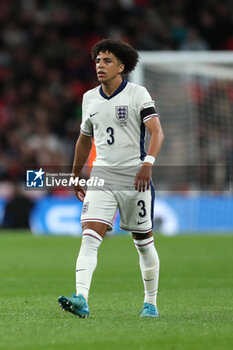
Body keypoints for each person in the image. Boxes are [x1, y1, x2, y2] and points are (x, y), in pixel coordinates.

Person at [58, 39, 164, 318]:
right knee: (90, 236)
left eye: (106, 61)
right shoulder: (89, 98)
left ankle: (150, 302)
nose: (100, 66)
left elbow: (157, 132)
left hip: (134, 176)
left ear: (121, 66)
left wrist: (148, 164)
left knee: (143, 242)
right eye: (97, 61)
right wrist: (75, 174)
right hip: (101, 176)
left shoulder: (138, 93)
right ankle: (81, 298)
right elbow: (84, 139)